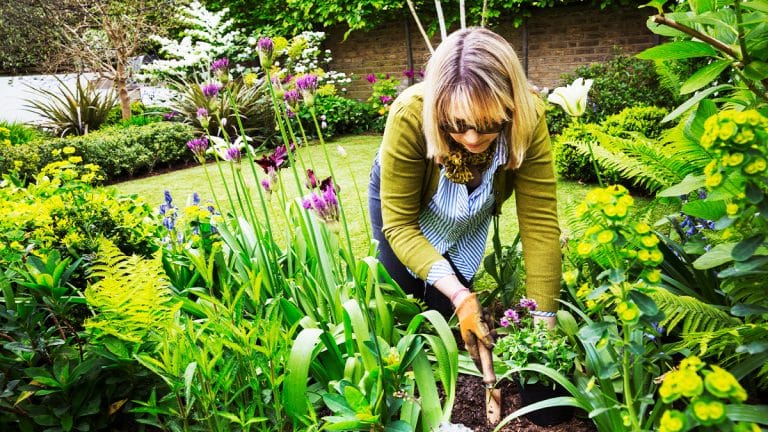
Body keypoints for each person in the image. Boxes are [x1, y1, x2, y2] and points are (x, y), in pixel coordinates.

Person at [368, 27, 562, 366]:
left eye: (489, 123)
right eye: (457, 124)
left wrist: (544, 326)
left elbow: (540, 224)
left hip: (471, 208)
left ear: (510, 106)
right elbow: (399, 225)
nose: (472, 138)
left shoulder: (528, 118)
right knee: (403, 311)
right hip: (408, 205)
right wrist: (460, 293)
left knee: (445, 321)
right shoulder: (410, 115)